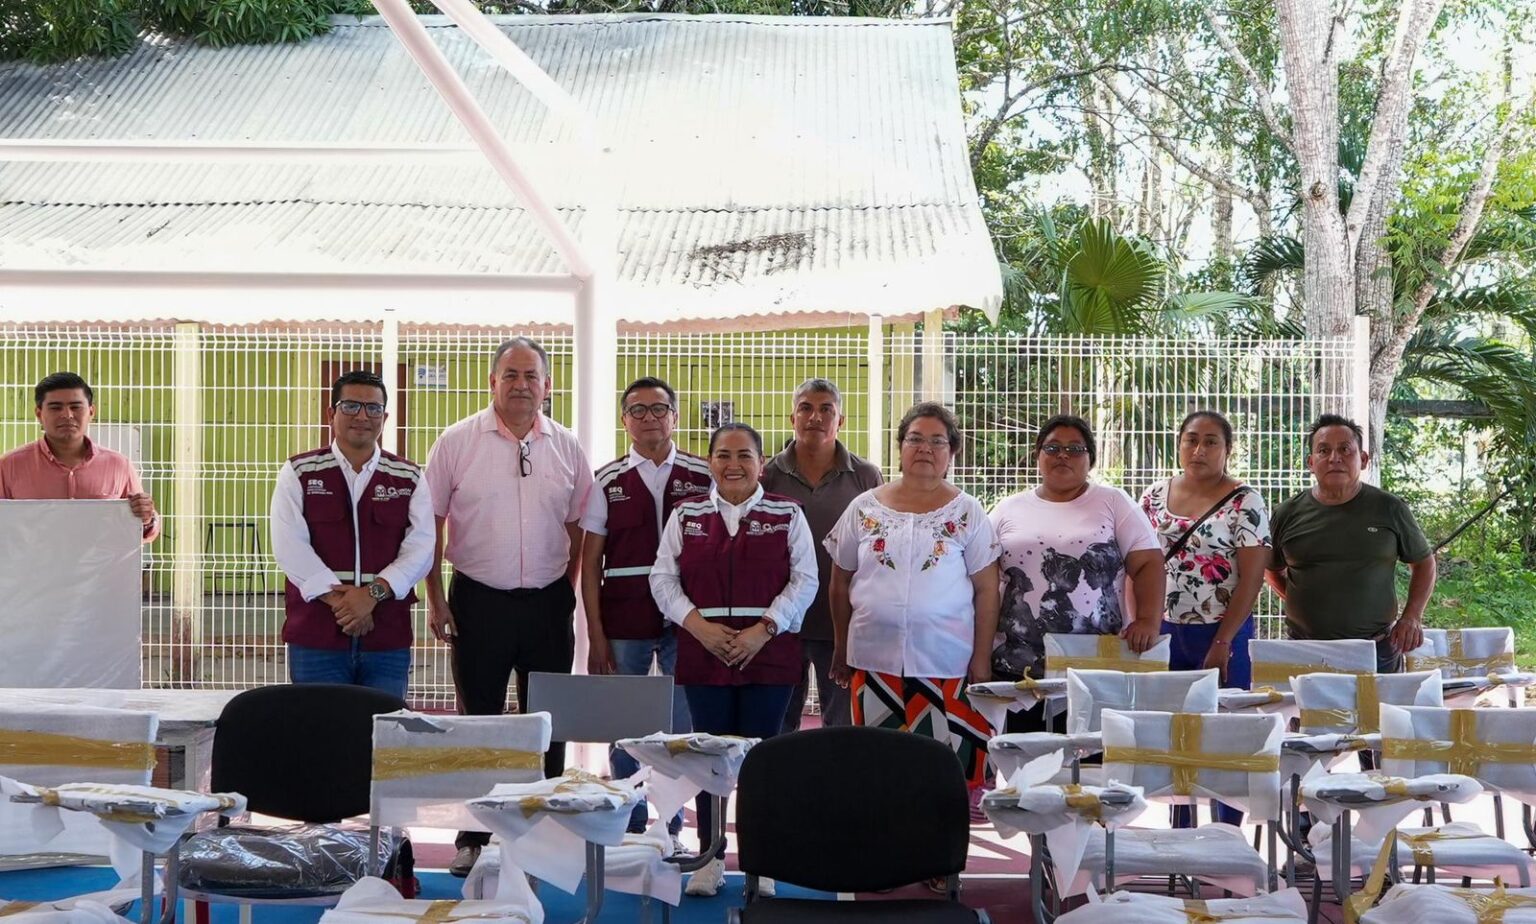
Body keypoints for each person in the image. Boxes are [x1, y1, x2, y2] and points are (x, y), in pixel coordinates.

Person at [423, 337, 593, 877]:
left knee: (547, 723)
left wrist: (562, 589)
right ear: (492, 382)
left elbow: (579, 525)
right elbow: (431, 522)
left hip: (547, 603)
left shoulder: (566, 446)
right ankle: (474, 837)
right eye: (511, 375)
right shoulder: (455, 442)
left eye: (532, 376)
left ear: (547, 386)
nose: (522, 385)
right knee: (480, 722)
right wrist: (435, 597)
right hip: (477, 602)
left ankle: (540, 832)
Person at [650, 422, 816, 898]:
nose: (734, 464)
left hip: (768, 654)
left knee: (761, 761)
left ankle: (762, 862)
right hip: (704, 655)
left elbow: (805, 579)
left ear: (762, 464)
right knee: (710, 762)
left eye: (745, 455)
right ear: (709, 462)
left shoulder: (788, 514)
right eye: (723, 455)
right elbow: (663, 579)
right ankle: (710, 857)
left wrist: (764, 630)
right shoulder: (686, 515)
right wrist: (697, 626)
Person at [825, 402, 1000, 803]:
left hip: (946, 664)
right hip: (872, 664)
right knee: (877, 775)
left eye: (937, 441)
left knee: (940, 779)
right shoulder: (864, 507)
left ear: (951, 453)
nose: (925, 448)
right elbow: (839, 582)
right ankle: (883, 861)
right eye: (915, 439)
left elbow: (988, 590)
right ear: (900, 447)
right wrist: (840, 646)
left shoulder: (968, 512)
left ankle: (937, 864)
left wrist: (981, 658)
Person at [580, 376, 710, 852]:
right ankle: (631, 823)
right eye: (638, 410)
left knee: (680, 725)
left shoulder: (702, 475)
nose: (649, 418)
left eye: (659, 409)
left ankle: (672, 827)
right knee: (626, 725)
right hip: (624, 618)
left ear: (674, 417)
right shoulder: (607, 480)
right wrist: (594, 633)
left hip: (687, 619)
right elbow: (590, 561)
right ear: (624, 420)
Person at [989, 414, 1164, 733]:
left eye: (1075, 448)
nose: (1062, 455)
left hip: (1095, 665)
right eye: (1052, 447)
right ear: (1037, 455)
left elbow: (1148, 563)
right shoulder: (1007, 509)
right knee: (1025, 763)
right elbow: (984, 582)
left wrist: (1148, 620)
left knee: (1093, 763)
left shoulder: (1112, 502)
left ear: (1091, 459)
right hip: (1020, 667)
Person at [269, 371, 434, 700]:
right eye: (351, 406)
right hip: (317, 637)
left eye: (373, 409)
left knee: (382, 738)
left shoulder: (408, 477)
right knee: (322, 738)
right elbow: (290, 547)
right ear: (331, 414)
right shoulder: (300, 472)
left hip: (386, 639)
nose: (362, 416)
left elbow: (422, 549)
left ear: (384, 418)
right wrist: (344, 604)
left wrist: (372, 595)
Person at [1266, 414, 1434, 673]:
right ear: (1311, 462)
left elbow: (1423, 563)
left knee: (1377, 714)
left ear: (1363, 459)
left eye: (1345, 449)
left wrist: (1412, 616)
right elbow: (1271, 568)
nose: (1335, 458)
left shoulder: (1389, 508)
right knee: (1307, 715)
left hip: (1376, 649)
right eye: (1324, 450)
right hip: (1304, 649)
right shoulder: (1286, 513)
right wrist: (1298, 597)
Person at [760, 377, 882, 732]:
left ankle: (836, 790)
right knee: (779, 727)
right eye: (806, 408)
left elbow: (877, 545)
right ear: (792, 417)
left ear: (840, 420)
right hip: (782, 622)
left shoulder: (865, 476)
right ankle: (780, 789)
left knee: (842, 727)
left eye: (826, 409)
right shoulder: (767, 476)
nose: (816, 417)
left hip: (841, 624)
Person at [1139, 410, 1270, 689]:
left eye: (1211, 442)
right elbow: (1137, 564)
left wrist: (1223, 641)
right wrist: (1139, 620)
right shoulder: (1154, 495)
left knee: (1223, 717)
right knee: (1164, 715)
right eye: (1191, 440)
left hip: (1222, 631)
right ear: (1180, 445)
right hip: (1162, 630)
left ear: (1228, 450)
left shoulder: (1246, 501)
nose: (1199, 450)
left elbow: (1253, 578)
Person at [0, 372, 159, 541]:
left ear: (91, 412)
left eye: (76, 407)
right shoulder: (9, 466)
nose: (67, 415)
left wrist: (147, 519)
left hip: (101, 568)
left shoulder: (119, 465)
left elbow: (142, 530)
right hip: (30, 567)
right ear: (39, 414)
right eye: (55, 407)